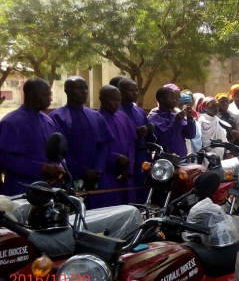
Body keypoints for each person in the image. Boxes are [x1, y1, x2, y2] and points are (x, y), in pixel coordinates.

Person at [49, 77, 114, 208]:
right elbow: (61, 151)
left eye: (86, 88)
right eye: (79, 88)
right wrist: (83, 171)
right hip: (72, 177)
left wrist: (97, 169)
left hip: (96, 177)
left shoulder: (95, 115)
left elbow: (104, 145)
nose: (84, 92)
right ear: (67, 91)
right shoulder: (56, 117)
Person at [0, 78, 65, 196]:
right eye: (45, 95)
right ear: (31, 94)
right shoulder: (11, 122)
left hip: (50, 189)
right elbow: (5, 160)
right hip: (22, 191)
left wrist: (59, 168)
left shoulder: (48, 120)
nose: (50, 99)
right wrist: (42, 168)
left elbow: (57, 152)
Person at [97, 85, 137, 207]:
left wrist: (128, 168)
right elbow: (98, 149)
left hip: (127, 173)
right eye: (113, 100)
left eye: (119, 100)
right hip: (109, 174)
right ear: (102, 99)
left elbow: (131, 144)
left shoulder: (123, 117)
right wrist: (114, 161)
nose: (117, 103)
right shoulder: (97, 118)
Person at [118, 78, 151, 203]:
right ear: (120, 91)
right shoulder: (117, 110)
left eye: (137, 90)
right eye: (132, 91)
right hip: (127, 157)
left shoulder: (139, 111)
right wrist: (135, 133)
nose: (136, 93)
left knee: (143, 189)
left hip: (142, 155)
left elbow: (148, 133)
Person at [147, 87, 196, 157]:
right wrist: (176, 122)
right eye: (172, 98)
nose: (175, 101)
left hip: (182, 159)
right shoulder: (154, 118)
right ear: (162, 99)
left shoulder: (175, 115)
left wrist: (189, 118)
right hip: (166, 162)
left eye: (176, 98)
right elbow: (163, 140)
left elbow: (190, 135)